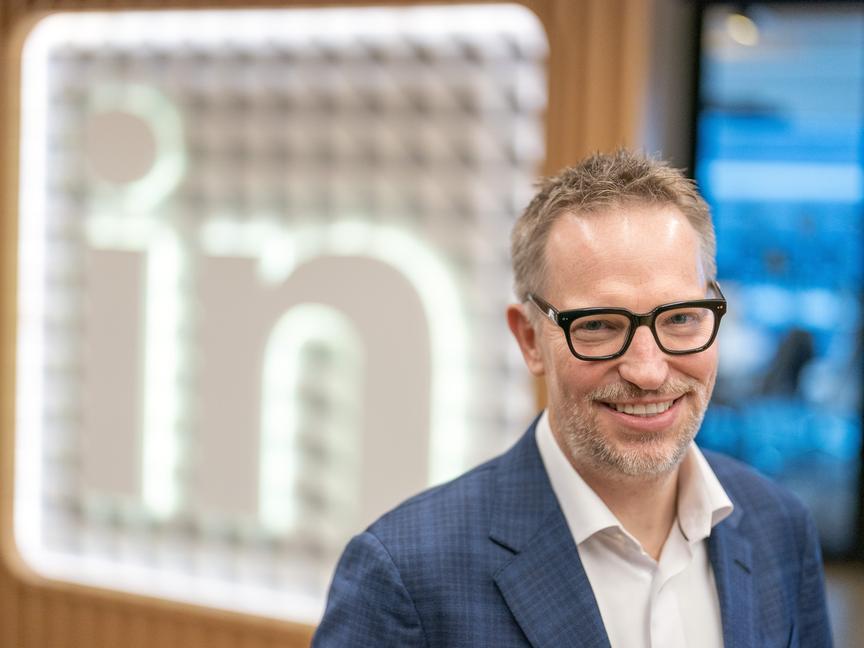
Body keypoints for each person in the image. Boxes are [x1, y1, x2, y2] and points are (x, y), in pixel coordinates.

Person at [312, 150, 833, 647]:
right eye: (599, 325)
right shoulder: (405, 576)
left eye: (680, 318)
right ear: (529, 339)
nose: (648, 371)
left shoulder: (780, 527)